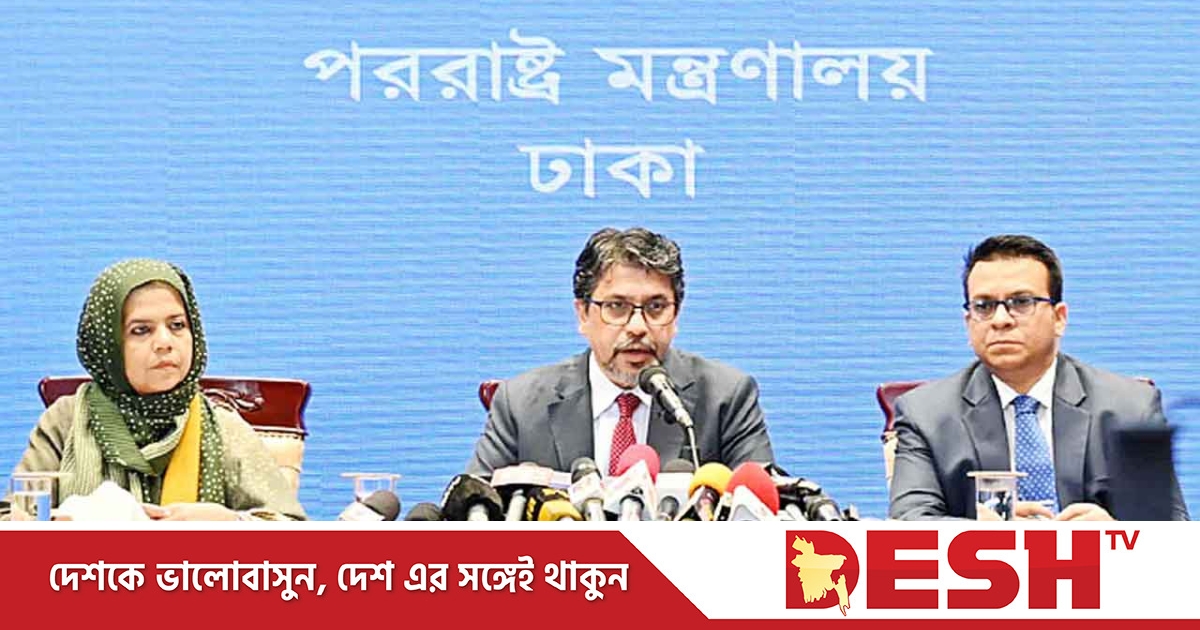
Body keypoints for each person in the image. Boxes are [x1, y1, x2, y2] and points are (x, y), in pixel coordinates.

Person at [889, 235, 1188, 521]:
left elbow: (1171, 530)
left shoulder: (1130, 408)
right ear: (968, 322)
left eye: (1021, 302)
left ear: (1059, 318)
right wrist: (979, 532)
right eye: (984, 306)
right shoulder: (925, 415)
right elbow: (908, 521)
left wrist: (1115, 533)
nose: (1001, 320)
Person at [1, 259, 305, 520]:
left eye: (177, 325)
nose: (164, 342)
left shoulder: (221, 427)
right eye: (141, 330)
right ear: (108, 345)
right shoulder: (66, 420)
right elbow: (13, 516)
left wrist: (232, 523)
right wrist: (53, 525)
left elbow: (293, 531)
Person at [467, 227, 775, 476]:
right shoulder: (519, 405)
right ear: (583, 314)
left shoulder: (725, 398)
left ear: (676, 315)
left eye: (656, 307)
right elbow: (473, 515)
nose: (638, 327)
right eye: (617, 306)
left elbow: (761, 511)